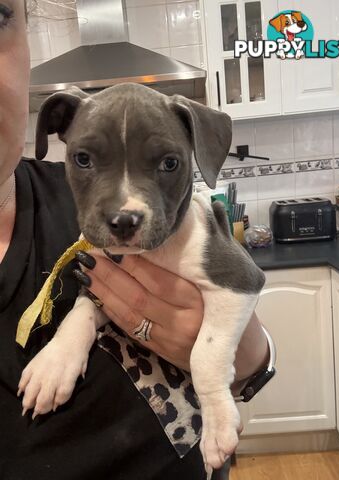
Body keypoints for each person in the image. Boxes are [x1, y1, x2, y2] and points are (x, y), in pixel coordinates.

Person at [0, 1, 270, 479]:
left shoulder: (183, 231)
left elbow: (242, 295)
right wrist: (73, 337)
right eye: (85, 161)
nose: (124, 210)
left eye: (167, 165)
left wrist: (243, 361)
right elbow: (103, 290)